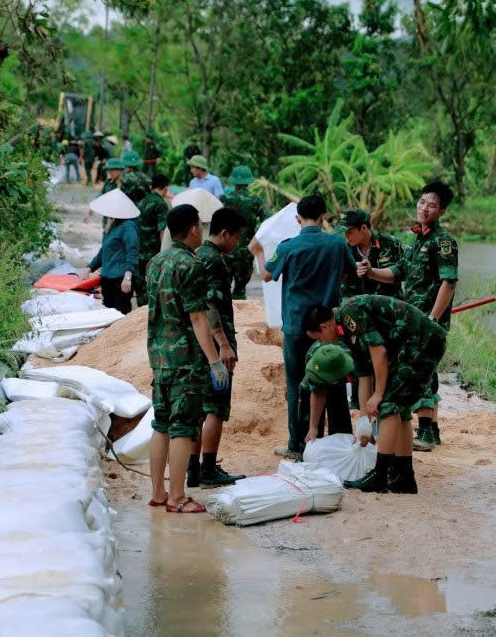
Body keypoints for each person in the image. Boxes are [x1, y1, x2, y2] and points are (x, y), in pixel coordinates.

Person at [248, 194, 358, 458]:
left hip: (297, 326)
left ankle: (299, 444)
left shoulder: (288, 247)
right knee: (334, 378)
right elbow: (350, 273)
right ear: (323, 216)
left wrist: (259, 252)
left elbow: (266, 275)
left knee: (298, 384)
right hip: (329, 326)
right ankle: (341, 440)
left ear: (298, 219)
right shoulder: (337, 244)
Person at [302, 295, 448, 493]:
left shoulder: (350, 313)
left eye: (319, 338)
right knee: (400, 409)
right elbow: (364, 374)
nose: (322, 342)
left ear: (324, 326)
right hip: (409, 346)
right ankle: (403, 476)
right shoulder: (344, 331)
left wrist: (378, 394)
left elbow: (379, 352)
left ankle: (379, 476)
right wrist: (364, 422)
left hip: (423, 341)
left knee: (388, 404)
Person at [357, 180, 458, 451]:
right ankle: (431, 430)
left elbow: (449, 282)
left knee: (417, 371)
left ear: (442, 212)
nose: (424, 208)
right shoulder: (416, 240)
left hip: (427, 320)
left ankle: (425, 432)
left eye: (432, 205)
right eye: (422, 202)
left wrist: (432, 319)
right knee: (426, 371)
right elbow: (398, 272)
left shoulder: (443, 242)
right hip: (410, 318)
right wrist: (371, 272)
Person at [146, 204, 231, 514]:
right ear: (194, 229)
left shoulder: (155, 262)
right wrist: (214, 360)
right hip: (185, 359)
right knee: (183, 426)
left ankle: (158, 493)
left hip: (159, 355)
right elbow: (197, 317)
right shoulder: (190, 264)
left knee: (161, 423)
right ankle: (178, 497)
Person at [192, 207, 248, 488]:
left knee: (200, 408)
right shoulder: (214, 261)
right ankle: (209, 470)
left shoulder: (197, 255)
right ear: (224, 233)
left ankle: (193, 470)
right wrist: (224, 344)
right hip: (215, 345)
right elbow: (210, 305)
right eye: (236, 238)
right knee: (215, 406)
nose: (237, 243)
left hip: (198, 343)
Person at [80, 188, 141, 315]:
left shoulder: (128, 227)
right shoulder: (114, 225)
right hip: (107, 278)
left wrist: (127, 277)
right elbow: (104, 250)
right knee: (107, 313)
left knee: (120, 314)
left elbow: (132, 252)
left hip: (120, 278)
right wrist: (90, 268)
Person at [220, 166, 268, 299]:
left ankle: (225, 311)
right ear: (249, 181)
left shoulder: (223, 199)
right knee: (240, 290)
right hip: (246, 251)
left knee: (223, 289)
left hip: (225, 249)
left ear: (233, 181)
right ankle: (239, 309)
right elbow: (267, 221)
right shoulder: (256, 200)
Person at [339, 209, 404, 299]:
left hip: (387, 303)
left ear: (363, 228)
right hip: (354, 304)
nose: (346, 236)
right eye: (345, 232)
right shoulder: (344, 250)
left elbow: (403, 273)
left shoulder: (391, 244)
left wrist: (372, 272)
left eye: (349, 232)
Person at [299, 342, 354, 440]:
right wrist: (313, 427)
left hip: (349, 368)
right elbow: (317, 391)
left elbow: (367, 384)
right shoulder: (313, 356)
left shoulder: (356, 358)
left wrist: (365, 423)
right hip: (329, 369)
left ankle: (341, 438)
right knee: (305, 388)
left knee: (338, 400)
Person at [136, 174, 171, 302]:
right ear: (165, 188)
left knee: (141, 285)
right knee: (153, 285)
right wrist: (164, 254)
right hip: (153, 252)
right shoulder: (161, 204)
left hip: (139, 250)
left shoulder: (142, 201)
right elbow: (163, 231)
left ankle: (140, 308)